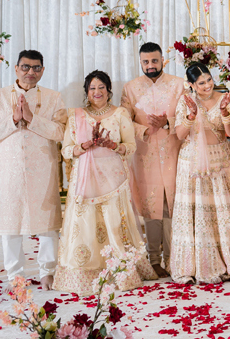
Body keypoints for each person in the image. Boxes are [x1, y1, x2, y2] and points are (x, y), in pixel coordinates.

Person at [53, 70, 155, 295]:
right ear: (86, 92)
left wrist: (112, 145)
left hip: (113, 179)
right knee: (85, 224)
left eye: (101, 88)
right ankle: (85, 271)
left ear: (109, 91)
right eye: (92, 88)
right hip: (84, 180)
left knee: (115, 224)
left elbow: (131, 146)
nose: (97, 92)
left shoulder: (119, 114)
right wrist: (85, 145)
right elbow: (67, 151)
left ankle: (120, 270)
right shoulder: (76, 115)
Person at [0, 50, 67, 291]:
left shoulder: (53, 98)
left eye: (36, 68)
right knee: (11, 224)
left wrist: (31, 118)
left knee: (48, 223)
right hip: (10, 170)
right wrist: (13, 119)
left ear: (43, 70)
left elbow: (61, 133)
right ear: (16, 68)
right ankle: (15, 276)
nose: (31, 72)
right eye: (26, 67)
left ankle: (47, 272)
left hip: (43, 169)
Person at [171, 63, 230, 284]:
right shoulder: (185, 101)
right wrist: (191, 115)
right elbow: (180, 134)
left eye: (209, 80)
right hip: (192, 162)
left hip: (220, 159)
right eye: (201, 83)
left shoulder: (224, 98)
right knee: (199, 212)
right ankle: (199, 264)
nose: (207, 85)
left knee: (224, 211)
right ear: (191, 85)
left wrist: (226, 112)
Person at [120, 42, 186, 278]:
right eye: (146, 62)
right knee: (150, 207)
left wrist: (166, 122)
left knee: (172, 204)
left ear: (162, 61)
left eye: (154, 61)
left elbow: (188, 114)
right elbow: (123, 120)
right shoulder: (130, 88)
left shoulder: (179, 85)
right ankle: (154, 259)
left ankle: (174, 258)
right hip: (145, 153)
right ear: (140, 62)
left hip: (173, 150)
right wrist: (144, 130)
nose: (150, 65)